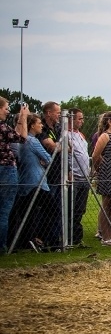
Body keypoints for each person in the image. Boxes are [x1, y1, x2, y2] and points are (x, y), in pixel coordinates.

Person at [12, 113, 51, 251]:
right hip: (37, 182)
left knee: (26, 214)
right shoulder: (32, 141)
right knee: (53, 211)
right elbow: (48, 158)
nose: (41, 125)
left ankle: (25, 241)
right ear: (32, 125)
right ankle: (40, 238)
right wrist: (44, 161)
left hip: (24, 182)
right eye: (39, 123)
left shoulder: (20, 142)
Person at [0, 98, 29, 252]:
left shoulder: (5, 128)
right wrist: (23, 118)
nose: (8, 111)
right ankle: (1, 246)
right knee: (4, 210)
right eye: (5, 108)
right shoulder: (2, 127)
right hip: (5, 169)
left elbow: (13, 136)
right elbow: (22, 138)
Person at [92, 111, 111, 246]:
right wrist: (101, 169)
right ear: (109, 121)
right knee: (106, 205)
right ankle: (105, 235)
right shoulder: (105, 136)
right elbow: (95, 156)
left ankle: (110, 234)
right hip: (107, 174)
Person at [37, 101, 62, 248]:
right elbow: (50, 146)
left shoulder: (58, 128)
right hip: (48, 173)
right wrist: (60, 145)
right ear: (48, 113)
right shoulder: (43, 128)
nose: (59, 115)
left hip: (60, 171)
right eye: (57, 112)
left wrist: (59, 146)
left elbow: (68, 147)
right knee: (48, 208)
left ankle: (54, 239)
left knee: (58, 209)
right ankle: (43, 239)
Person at [67, 108, 91, 247]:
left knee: (80, 210)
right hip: (74, 176)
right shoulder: (66, 135)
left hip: (84, 176)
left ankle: (77, 238)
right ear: (71, 119)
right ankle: (68, 237)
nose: (82, 121)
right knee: (71, 208)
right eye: (79, 118)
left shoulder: (80, 135)